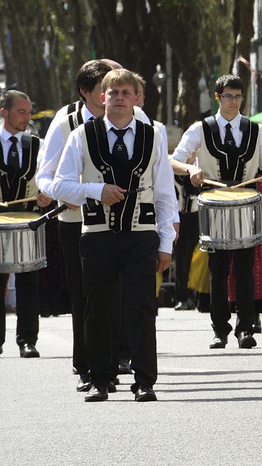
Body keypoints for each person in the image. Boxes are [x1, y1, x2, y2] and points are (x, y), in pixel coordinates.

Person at [51, 69, 175, 402]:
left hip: (141, 234)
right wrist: (95, 189)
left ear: (137, 99)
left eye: (125, 92)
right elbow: (58, 184)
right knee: (98, 308)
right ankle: (99, 379)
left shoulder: (154, 136)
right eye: (113, 92)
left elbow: (165, 194)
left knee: (142, 307)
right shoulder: (81, 135)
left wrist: (166, 244)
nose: (119, 98)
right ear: (101, 98)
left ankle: (145, 380)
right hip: (97, 234)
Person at [172, 75, 262, 350]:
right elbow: (174, 161)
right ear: (217, 97)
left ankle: (245, 328)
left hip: (245, 204)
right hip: (214, 205)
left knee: (245, 270)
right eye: (228, 96)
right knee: (218, 271)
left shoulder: (256, 130)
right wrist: (192, 169)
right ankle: (220, 329)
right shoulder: (200, 129)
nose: (234, 102)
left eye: (238, 97)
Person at [0, 89, 48, 358]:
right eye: (21, 112)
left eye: (29, 112)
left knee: (30, 279)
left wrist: (47, 197)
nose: (27, 117)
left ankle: (27, 340)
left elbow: (49, 177)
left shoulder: (37, 145)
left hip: (28, 221)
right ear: (3, 112)